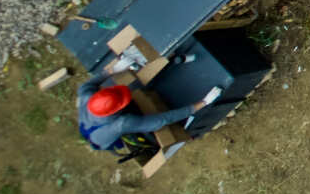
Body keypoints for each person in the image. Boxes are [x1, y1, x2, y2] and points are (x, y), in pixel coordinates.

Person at [75, 61, 219, 162]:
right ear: (117, 110)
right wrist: (203, 103)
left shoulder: (86, 95)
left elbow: (88, 84)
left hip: (87, 124)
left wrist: (113, 70)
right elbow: (163, 119)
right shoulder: (123, 123)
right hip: (100, 139)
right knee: (145, 136)